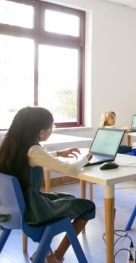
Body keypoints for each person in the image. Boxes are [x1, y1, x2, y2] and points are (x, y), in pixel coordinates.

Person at [0, 107, 96, 263]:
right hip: (32, 212)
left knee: (67, 197)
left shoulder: (8, 145)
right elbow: (70, 169)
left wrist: (58, 153)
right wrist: (86, 158)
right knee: (87, 206)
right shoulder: (33, 150)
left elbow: (32, 158)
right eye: (51, 126)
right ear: (40, 132)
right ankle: (55, 257)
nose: (52, 129)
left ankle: (43, 251)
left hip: (9, 211)